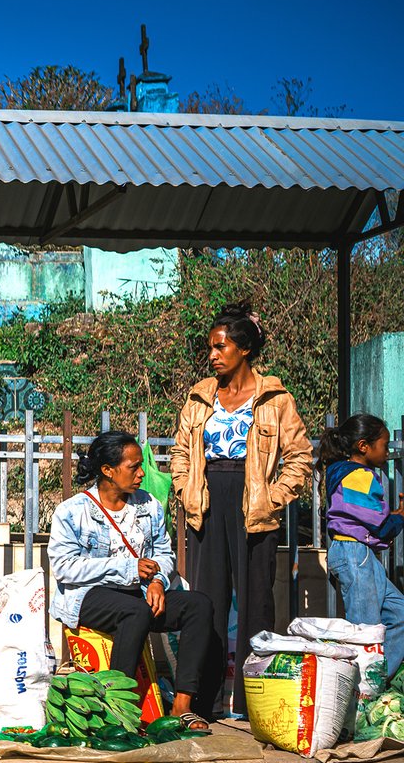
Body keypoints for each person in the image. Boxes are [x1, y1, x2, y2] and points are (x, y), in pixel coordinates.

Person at [171, 302, 312, 716]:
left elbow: (299, 457)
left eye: (220, 346)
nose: (212, 354)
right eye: (210, 347)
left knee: (257, 603)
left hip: (254, 507)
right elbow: (181, 451)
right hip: (207, 504)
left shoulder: (275, 398)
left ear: (244, 348)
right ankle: (205, 699)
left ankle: (256, 703)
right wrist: (185, 489)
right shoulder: (200, 398)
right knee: (206, 602)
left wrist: (272, 496)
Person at [48, 431, 214, 733]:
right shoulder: (72, 511)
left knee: (198, 605)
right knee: (134, 611)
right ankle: (119, 708)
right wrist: (128, 568)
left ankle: (181, 707)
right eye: (133, 467)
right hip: (88, 597)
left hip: (140, 592)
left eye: (140, 466)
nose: (141, 474)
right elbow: (64, 567)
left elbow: (164, 553)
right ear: (108, 471)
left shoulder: (147, 505)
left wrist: (158, 582)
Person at [321, 413, 404, 679]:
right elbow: (379, 525)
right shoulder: (358, 477)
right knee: (365, 632)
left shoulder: (347, 473)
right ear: (364, 447)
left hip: (360, 555)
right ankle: (359, 695)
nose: (387, 451)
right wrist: (400, 515)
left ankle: (375, 681)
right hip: (355, 555)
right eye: (384, 444)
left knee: (399, 614)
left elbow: (369, 519)